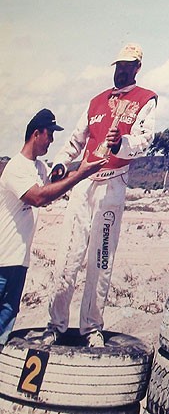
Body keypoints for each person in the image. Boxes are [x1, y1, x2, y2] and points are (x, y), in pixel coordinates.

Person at [42, 43, 158, 348]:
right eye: (118, 65)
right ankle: (55, 324)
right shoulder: (95, 101)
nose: (121, 70)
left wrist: (122, 143)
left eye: (127, 65)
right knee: (69, 255)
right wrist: (58, 164)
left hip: (114, 183)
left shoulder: (146, 99)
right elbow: (75, 139)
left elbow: (146, 139)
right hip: (83, 182)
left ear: (137, 68)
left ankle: (91, 326)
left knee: (101, 258)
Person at [0, 109, 106, 346]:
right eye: (49, 135)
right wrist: (80, 174)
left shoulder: (38, 168)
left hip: (18, 261)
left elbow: (52, 189)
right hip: (2, 261)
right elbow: (38, 197)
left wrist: (62, 170)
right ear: (36, 134)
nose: (51, 141)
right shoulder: (16, 168)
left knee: (5, 324)